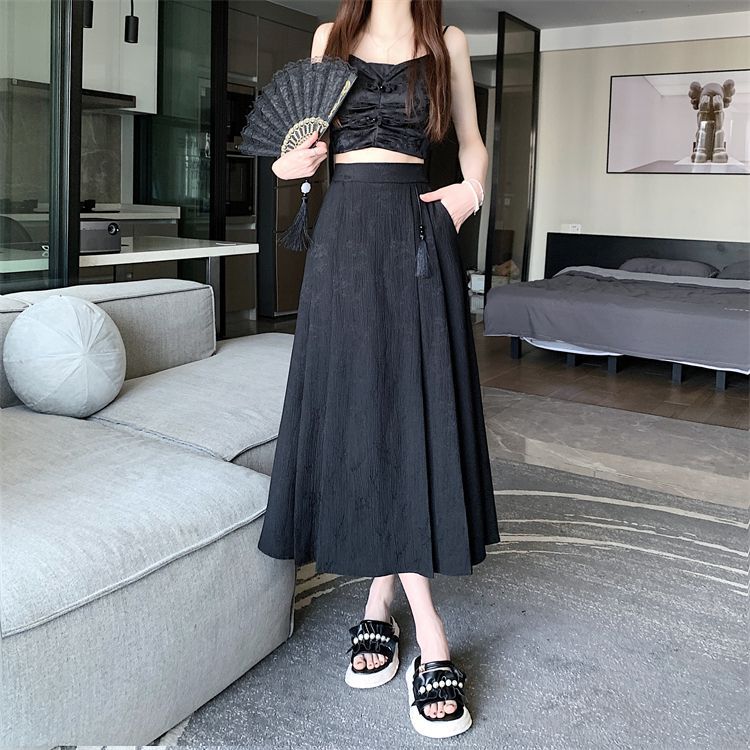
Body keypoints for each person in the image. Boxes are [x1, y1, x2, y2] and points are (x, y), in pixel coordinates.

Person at [257, 0, 500, 738]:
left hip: (420, 230)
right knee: (365, 407)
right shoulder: (329, 37)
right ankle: (428, 628)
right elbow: (305, 147)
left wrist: (470, 195)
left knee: (409, 409)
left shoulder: (447, 41)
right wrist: (286, 165)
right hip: (345, 239)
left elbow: (473, 145)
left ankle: (378, 604)